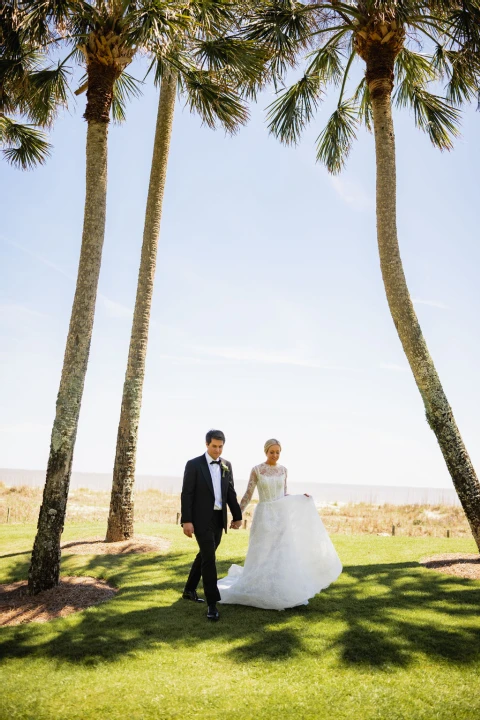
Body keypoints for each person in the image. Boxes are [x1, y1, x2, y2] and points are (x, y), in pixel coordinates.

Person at [218, 439, 342, 610]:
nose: (275, 455)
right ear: (266, 452)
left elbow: (283, 494)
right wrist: (237, 515)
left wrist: (300, 498)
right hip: (264, 514)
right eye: (272, 452)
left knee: (280, 550)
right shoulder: (257, 470)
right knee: (261, 550)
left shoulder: (284, 470)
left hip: (280, 515)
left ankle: (278, 586)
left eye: (277, 452)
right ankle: (258, 585)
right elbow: (248, 494)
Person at [181, 429, 242, 621]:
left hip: (218, 519)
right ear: (207, 444)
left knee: (205, 555)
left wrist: (237, 516)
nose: (217, 450)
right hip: (200, 519)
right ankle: (212, 604)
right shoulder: (194, 465)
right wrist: (187, 520)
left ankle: (189, 589)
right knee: (209, 558)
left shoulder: (226, 465)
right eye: (214, 446)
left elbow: (230, 493)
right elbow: (187, 494)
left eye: (220, 447)